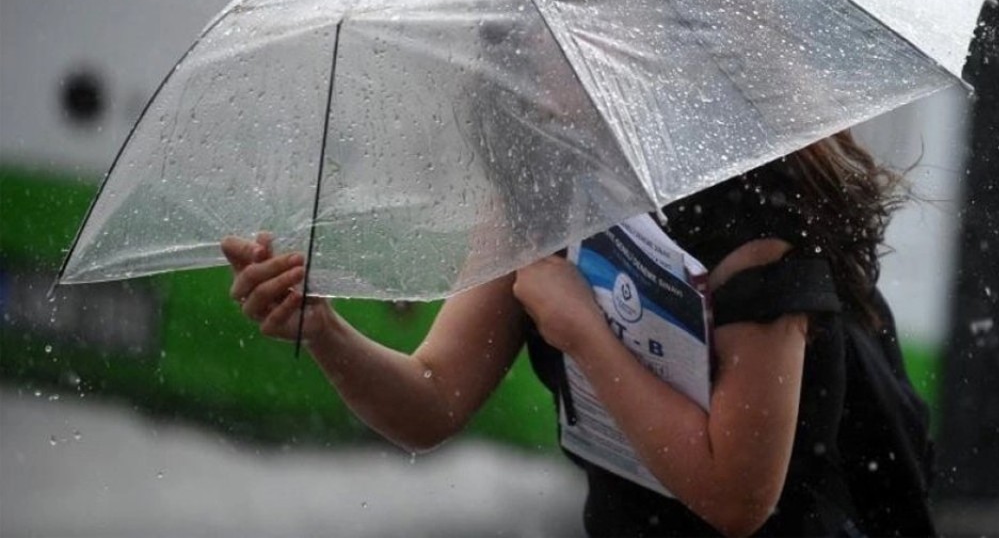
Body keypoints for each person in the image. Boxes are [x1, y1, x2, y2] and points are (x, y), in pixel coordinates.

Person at [222, 130, 936, 537]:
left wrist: (584, 334)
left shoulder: (754, 223)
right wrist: (325, 332)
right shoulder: (543, 187)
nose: (523, 65)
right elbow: (432, 400)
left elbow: (736, 500)